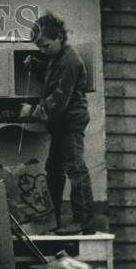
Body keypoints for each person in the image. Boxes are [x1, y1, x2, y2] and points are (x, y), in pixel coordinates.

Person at [20, 12, 95, 236]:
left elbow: (57, 102)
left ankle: (83, 221)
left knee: (75, 169)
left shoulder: (69, 61)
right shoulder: (57, 56)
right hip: (61, 124)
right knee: (54, 170)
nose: (42, 50)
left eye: (44, 46)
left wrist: (32, 111)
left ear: (59, 37)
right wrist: (37, 62)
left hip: (70, 122)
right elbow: (54, 70)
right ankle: (52, 220)